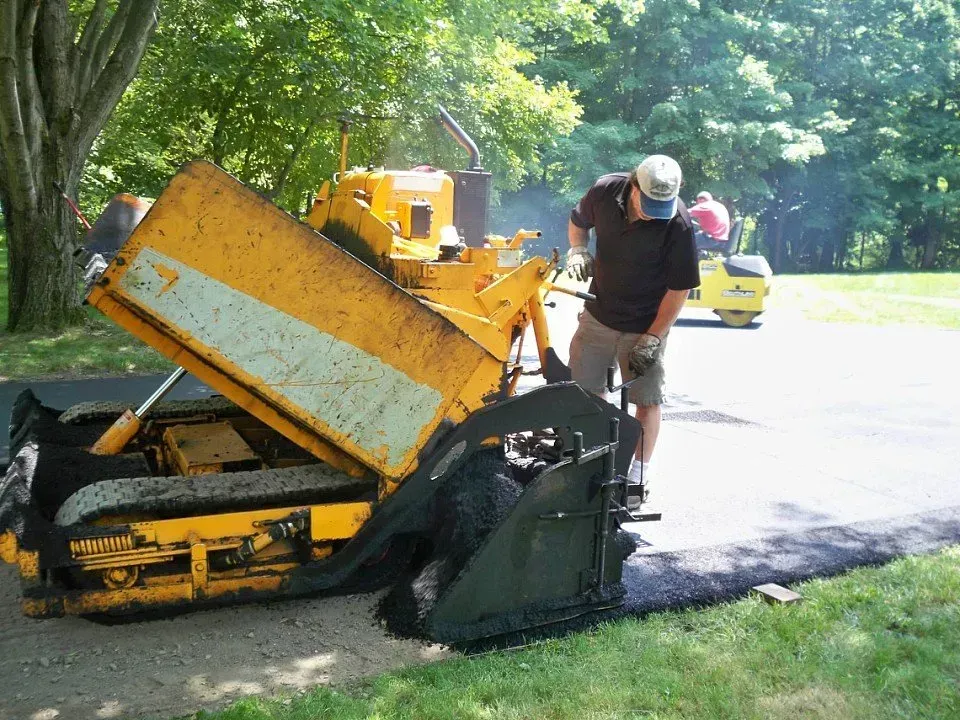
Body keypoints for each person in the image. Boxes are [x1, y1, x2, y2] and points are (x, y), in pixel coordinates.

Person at [566, 155, 699, 509]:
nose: (655, 212)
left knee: (647, 399)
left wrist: (653, 337)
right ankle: (592, 465)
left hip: (646, 322)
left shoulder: (679, 224)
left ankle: (637, 475)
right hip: (599, 314)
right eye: (649, 204)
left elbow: (679, 289)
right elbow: (578, 222)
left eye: (663, 206)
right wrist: (578, 249)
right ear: (633, 186)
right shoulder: (604, 190)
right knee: (586, 392)